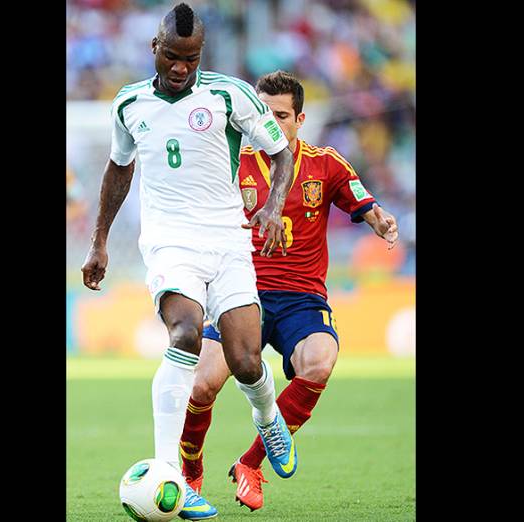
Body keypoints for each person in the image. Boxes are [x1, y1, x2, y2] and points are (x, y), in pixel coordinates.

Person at [80, 5, 299, 520]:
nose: (182, 67)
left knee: (246, 361)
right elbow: (118, 170)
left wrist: (272, 205)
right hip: (169, 242)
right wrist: (99, 240)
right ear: (154, 49)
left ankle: (267, 415)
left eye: (192, 58)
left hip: (227, 240)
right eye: (174, 57)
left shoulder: (230, 94)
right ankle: (168, 474)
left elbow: (281, 151)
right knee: (184, 334)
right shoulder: (129, 104)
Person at [178, 70, 399, 511]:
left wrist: (381, 221)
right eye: (263, 113)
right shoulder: (232, 162)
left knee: (319, 362)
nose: (270, 122)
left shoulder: (326, 163)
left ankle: (250, 464)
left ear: (300, 118)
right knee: (202, 384)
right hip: (242, 292)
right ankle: (189, 472)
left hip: (301, 297)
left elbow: (364, 202)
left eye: (281, 115)